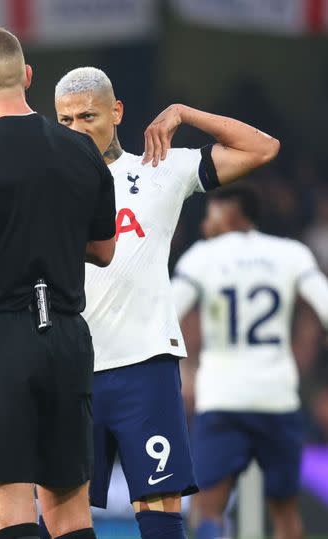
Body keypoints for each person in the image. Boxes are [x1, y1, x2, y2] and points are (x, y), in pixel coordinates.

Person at [53, 66, 280, 539]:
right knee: (59, 519)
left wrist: (184, 113)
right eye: (65, 120)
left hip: (145, 367)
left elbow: (263, 148)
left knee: (160, 518)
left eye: (87, 116)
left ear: (116, 112)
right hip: (69, 369)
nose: (75, 129)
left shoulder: (160, 169)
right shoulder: (43, 186)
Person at [0, 28, 117, 539]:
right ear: (28, 77)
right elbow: (102, 250)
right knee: (69, 511)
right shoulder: (83, 152)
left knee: (6, 506)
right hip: (68, 340)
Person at [172, 185, 328, 539]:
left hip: (221, 397)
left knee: (207, 506)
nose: (205, 223)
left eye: (212, 213)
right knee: (286, 511)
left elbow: (166, 311)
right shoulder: (291, 253)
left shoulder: (201, 257)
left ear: (233, 214)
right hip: (276, 396)